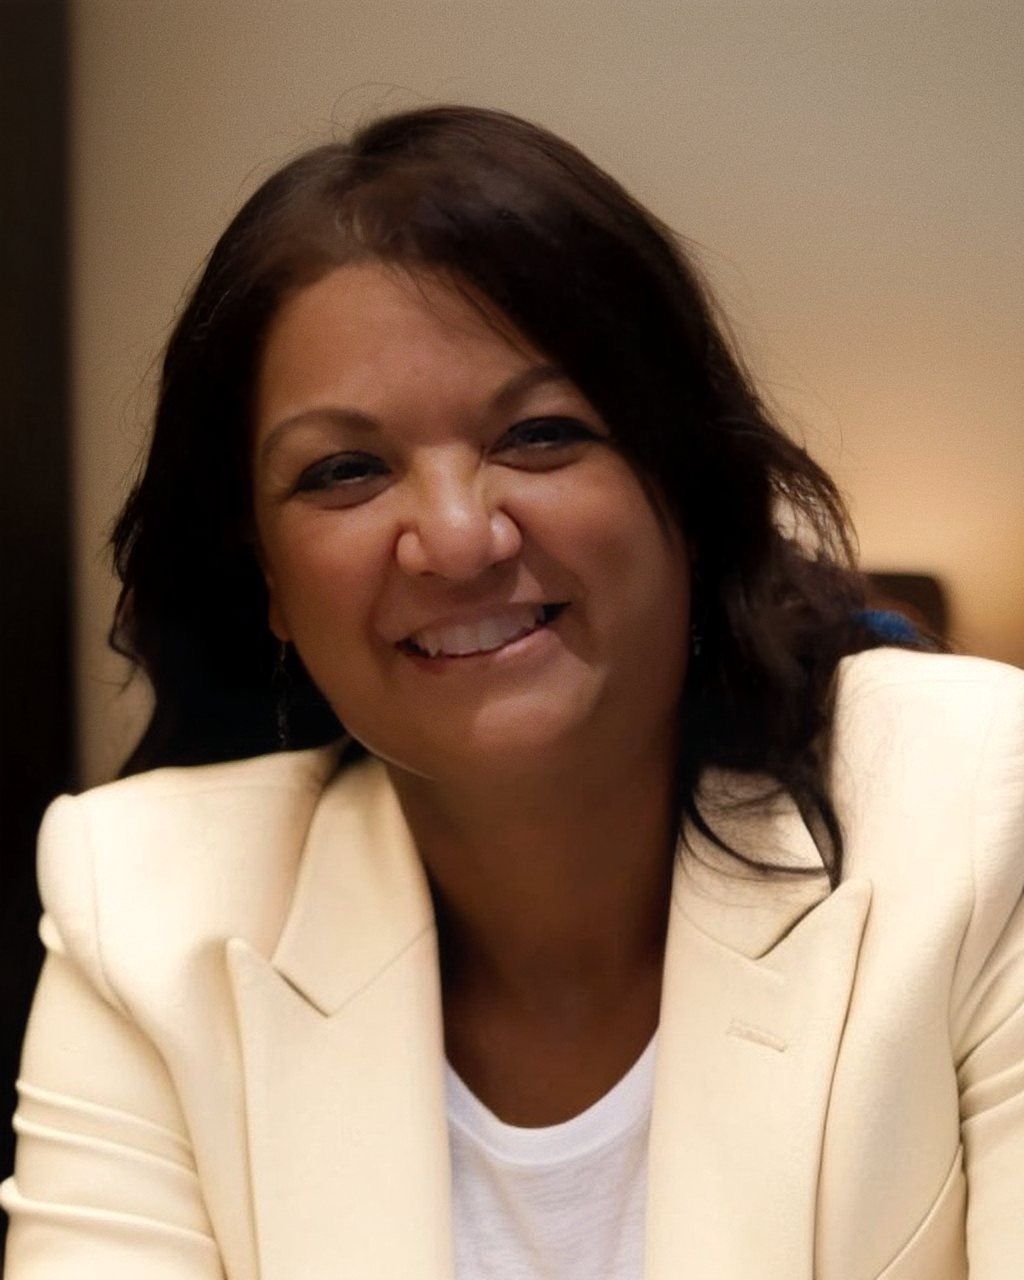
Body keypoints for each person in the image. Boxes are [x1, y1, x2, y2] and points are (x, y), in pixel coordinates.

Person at [3, 104, 1023, 1280]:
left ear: (686, 487)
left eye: (539, 435)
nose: (454, 537)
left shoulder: (970, 804)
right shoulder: (143, 905)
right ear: (266, 574)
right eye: (345, 470)